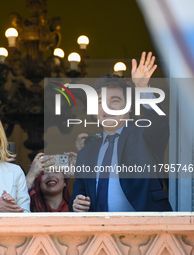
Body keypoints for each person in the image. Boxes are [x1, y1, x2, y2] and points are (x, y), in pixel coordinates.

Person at [70, 51, 173, 212]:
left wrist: (142, 87)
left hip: (148, 230)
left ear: (129, 106)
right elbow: (78, 196)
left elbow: (159, 123)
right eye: (100, 102)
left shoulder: (145, 135)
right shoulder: (86, 154)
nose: (106, 107)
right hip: (100, 234)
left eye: (115, 101)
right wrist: (76, 204)